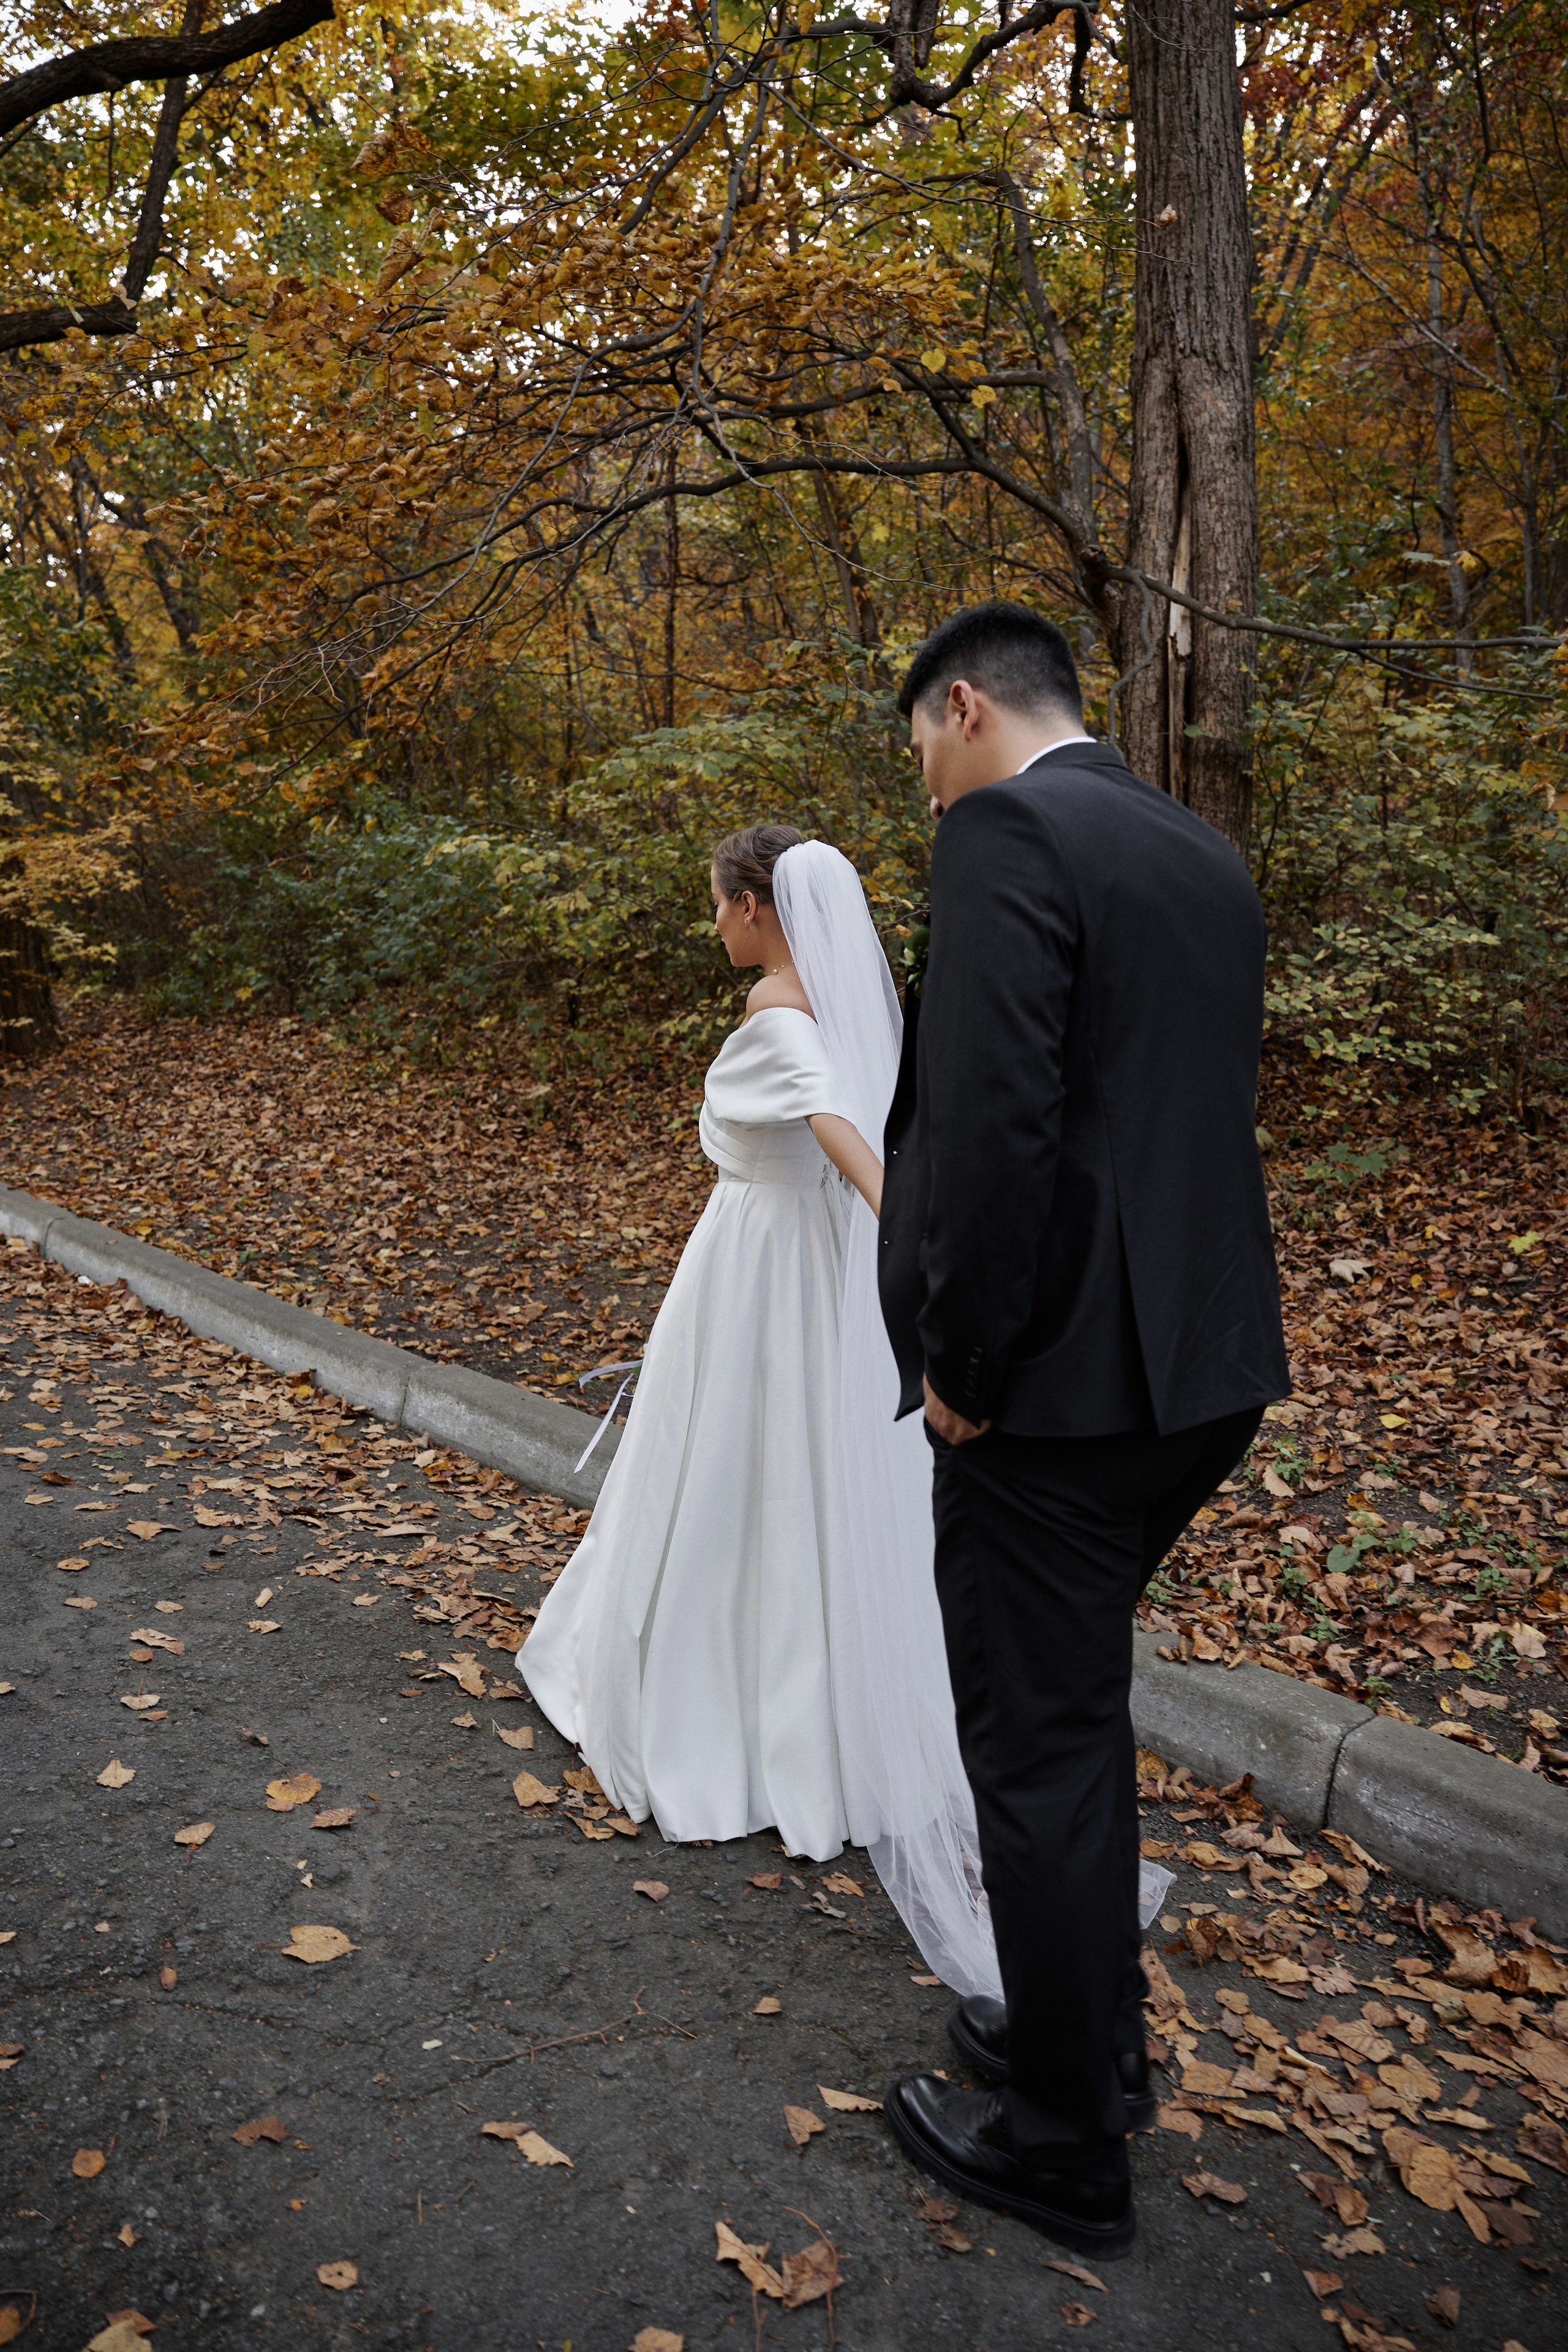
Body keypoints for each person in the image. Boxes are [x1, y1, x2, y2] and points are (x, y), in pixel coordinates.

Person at [877, 601, 1290, 2258]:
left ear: (966, 709)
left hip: (1053, 1390)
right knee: (1075, 1716)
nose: (921, 789)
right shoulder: (1196, 850)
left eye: (919, 747)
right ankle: (1075, 2037)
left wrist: (962, 1356)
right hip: (1201, 1370)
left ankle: (1059, 2140)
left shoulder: (1005, 834)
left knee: (1036, 1741)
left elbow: (995, 1125)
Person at [518, 826, 998, 1995]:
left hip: (764, 1276)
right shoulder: (836, 1005)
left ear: (755, 905)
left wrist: (929, 1251)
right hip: (797, 1273)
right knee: (794, 1484)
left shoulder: (783, 1022)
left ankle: (731, 1721)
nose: (713, 926)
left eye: (719, 905)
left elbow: (849, 1144)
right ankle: (827, 1712)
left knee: (742, 1476)